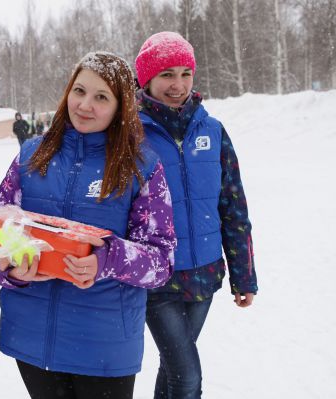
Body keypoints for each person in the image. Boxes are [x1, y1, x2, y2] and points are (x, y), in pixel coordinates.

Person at [0, 52, 177, 399]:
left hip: (104, 346)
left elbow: (161, 263)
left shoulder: (141, 167)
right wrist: (12, 268)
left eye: (101, 97)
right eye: (79, 91)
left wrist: (106, 259)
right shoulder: (32, 154)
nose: (85, 105)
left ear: (121, 107)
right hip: (32, 337)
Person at [134, 31, 258, 399]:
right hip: (157, 277)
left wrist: (244, 276)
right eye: (167, 74)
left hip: (204, 275)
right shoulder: (130, 135)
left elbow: (233, 207)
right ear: (147, 79)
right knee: (187, 377)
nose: (178, 84)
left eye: (185, 73)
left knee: (172, 367)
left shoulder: (213, 131)